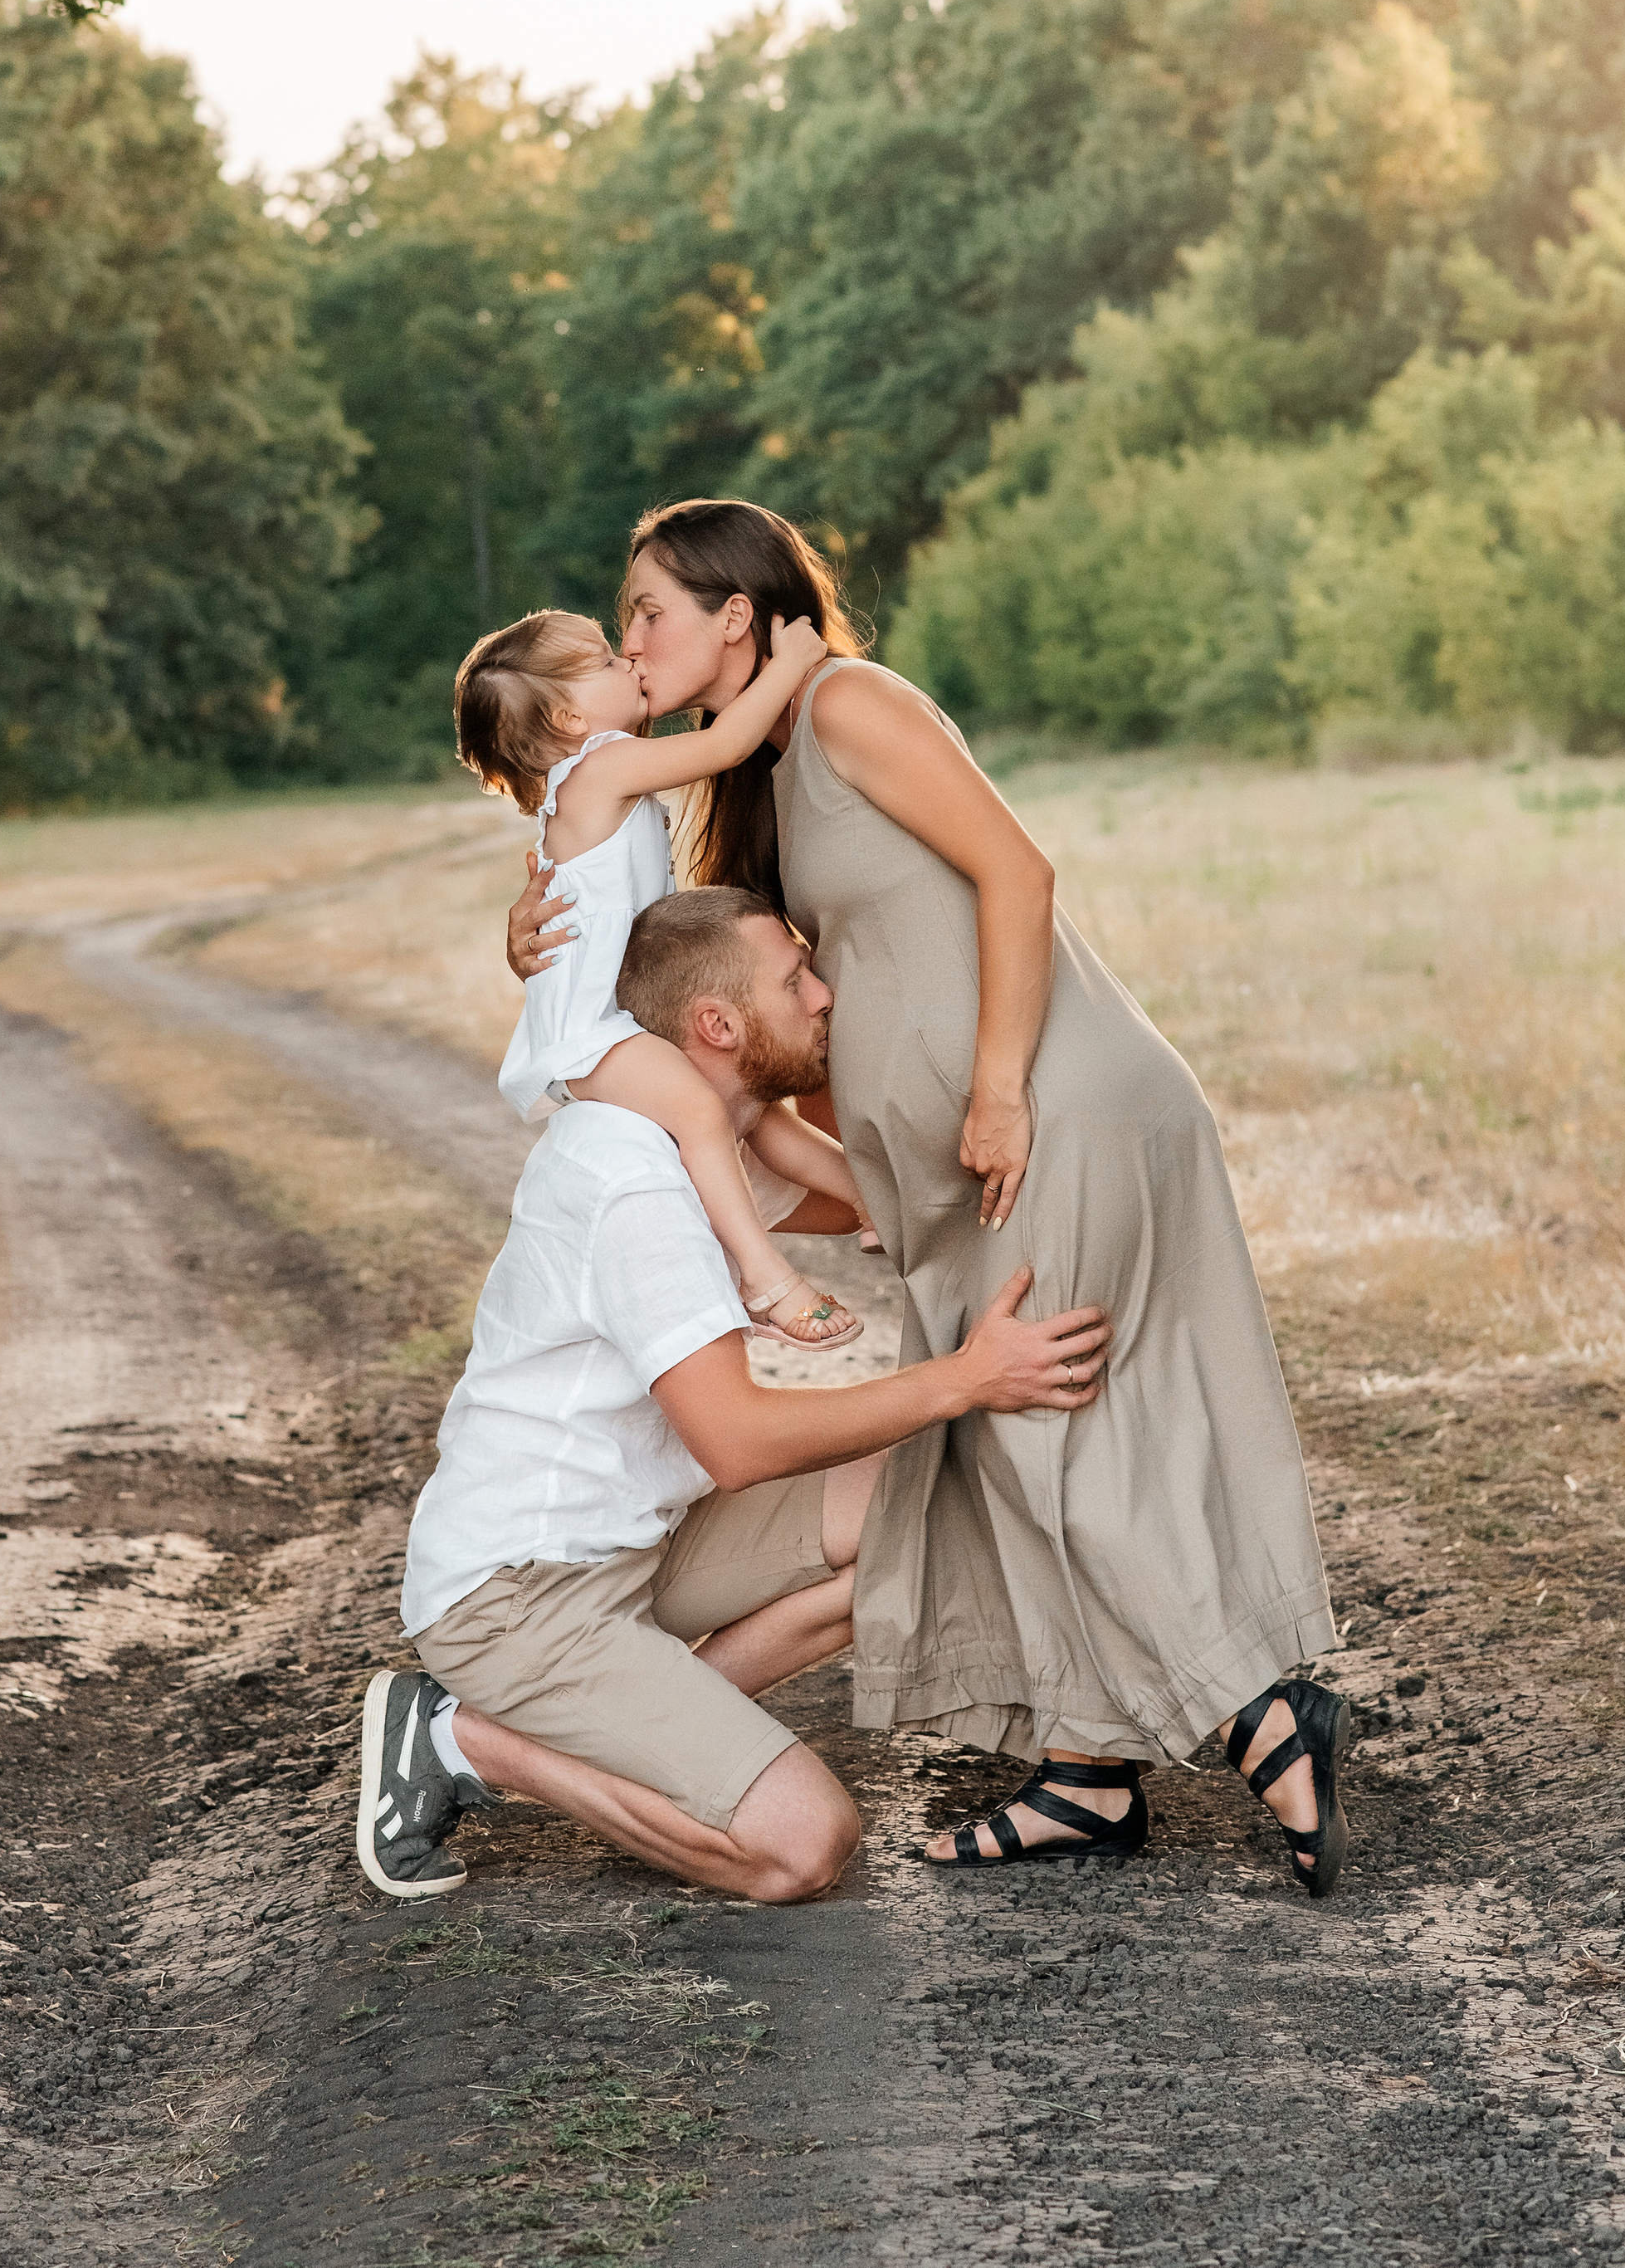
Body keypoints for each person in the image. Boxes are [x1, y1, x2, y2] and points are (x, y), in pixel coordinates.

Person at [508, 499, 1352, 1899]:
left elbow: (1017, 868)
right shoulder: (757, 772)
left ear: (737, 615)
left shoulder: (850, 700)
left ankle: (1262, 1714)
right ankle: (1084, 1773)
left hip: (1052, 1114)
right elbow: (699, 990)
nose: (631, 635)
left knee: (1041, 1433)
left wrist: (1002, 1081)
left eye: (648, 606)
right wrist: (528, 928)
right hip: (967, 1169)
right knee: (1002, 1444)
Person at [357, 888, 1113, 1902]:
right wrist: (964, 1379)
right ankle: (469, 1741)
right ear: (716, 1026)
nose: (824, 993)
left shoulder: (701, 1149)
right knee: (805, 1845)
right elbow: (739, 1442)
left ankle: (644, 1725)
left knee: (924, 1504)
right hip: (516, 1600)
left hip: (640, 1547)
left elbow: (879, 1200)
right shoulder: (633, 1182)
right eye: (796, 979)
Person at [453, 602, 861, 1348]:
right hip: (594, 1036)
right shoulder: (600, 770)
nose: (632, 661)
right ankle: (767, 1281)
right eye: (609, 661)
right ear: (573, 720)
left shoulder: (596, 785)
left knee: (759, 1121)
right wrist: (792, 665)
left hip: (621, 1024)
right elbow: (729, 743)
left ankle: (885, 1203)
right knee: (706, 1115)